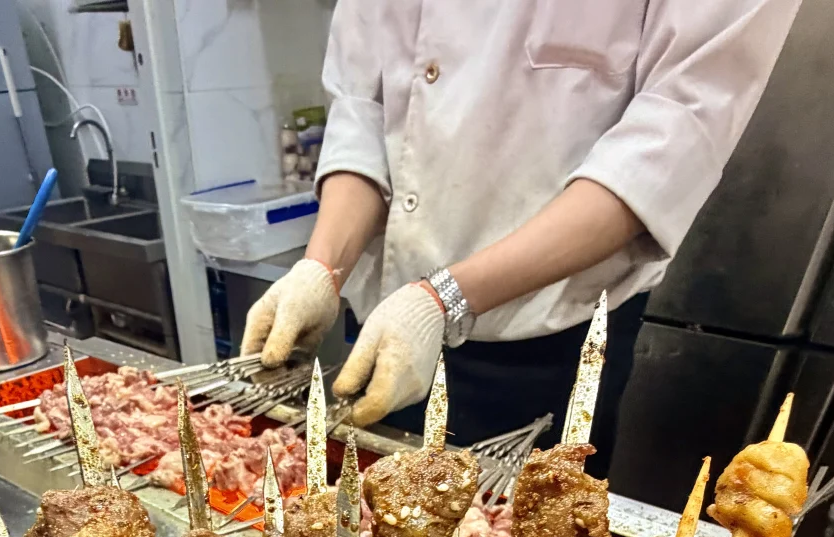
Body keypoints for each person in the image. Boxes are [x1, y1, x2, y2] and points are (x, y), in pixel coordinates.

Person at [241, 0, 802, 473]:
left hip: (547, 341)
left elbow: (670, 139)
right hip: (385, 325)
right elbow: (361, 105)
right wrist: (322, 267)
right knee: (364, 526)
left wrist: (443, 299)